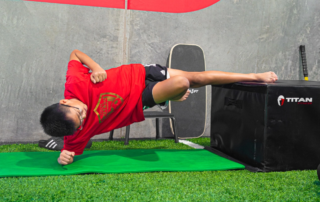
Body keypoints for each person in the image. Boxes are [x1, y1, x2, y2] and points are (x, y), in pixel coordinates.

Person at [40, 49, 278, 165]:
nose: (84, 112)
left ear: (65, 101)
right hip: (142, 97)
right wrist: (64, 157)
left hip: (141, 72)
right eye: (81, 119)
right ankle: (170, 95)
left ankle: (254, 75)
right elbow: (68, 152)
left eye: (78, 110)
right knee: (185, 83)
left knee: (197, 77)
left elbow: (76, 53)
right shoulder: (76, 132)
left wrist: (96, 67)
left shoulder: (75, 82)